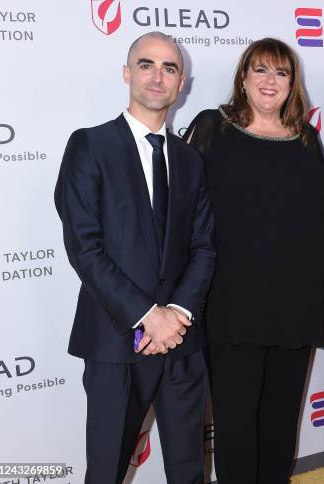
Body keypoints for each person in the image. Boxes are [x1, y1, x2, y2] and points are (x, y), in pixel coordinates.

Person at [54, 32, 216, 484]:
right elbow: (84, 247)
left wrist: (177, 315)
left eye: (169, 67)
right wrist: (148, 316)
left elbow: (204, 246)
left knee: (189, 470)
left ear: (182, 82)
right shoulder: (90, 145)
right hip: (116, 338)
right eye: (146, 64)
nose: (157, 76)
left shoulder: (189, 159)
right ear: (127, 73)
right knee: (107, 468)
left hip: (183, 340)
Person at [182, 38, 324, 484]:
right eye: (261, 70)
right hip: (232, 299)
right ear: (243, 78)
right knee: (235, 422)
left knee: (282, 420)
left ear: (292, 84)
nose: (270, 81)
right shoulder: (212, 126)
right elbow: (183, 208)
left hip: (296, 300)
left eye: (281, 73)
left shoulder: (307, 137)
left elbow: (321, 210)